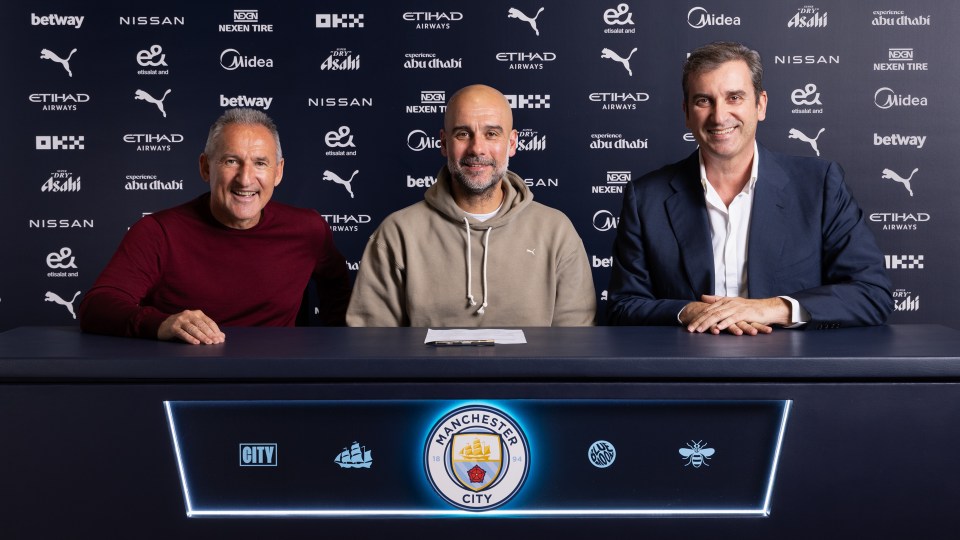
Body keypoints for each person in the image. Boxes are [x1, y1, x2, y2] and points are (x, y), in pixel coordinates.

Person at [607, 42, 892, 334]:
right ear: (687, 113)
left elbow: (871, 294)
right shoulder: (646, 197)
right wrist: (687, 311)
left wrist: (771, 308)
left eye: (734, 98)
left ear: (760, 105)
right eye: (704, 100)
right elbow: (623, 305)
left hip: (791, 372)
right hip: (687, 371)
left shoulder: (819, 185)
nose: (719, 116)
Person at [79, 108, 350, 344]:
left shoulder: (308, 229)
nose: (245, 180)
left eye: (260, 163)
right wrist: (162, 323)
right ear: (206, 167)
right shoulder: (158, 232)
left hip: (276, 383)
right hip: (187, 380)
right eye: (231, 161)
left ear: (277, 172)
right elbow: (97, 306)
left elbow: (341, 307)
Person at [347, 84, 596, 327]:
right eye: (463, 134)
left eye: (492, 134)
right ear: (444, 143)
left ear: (511, 143)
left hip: (532, 372)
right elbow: (371, 349)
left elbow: (575, 345)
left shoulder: (556, 231)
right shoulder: (397, 233)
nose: (477, 148)